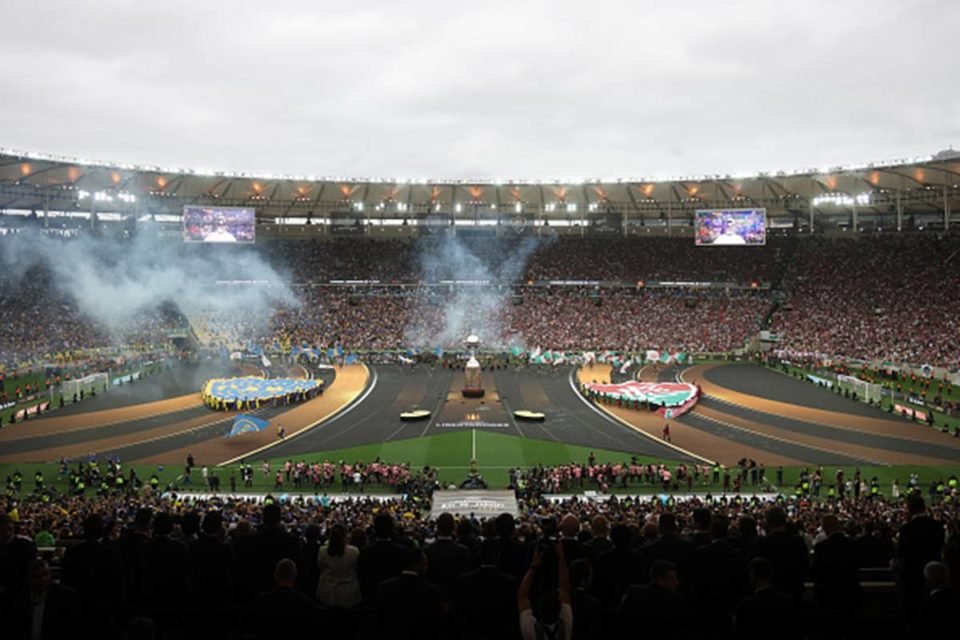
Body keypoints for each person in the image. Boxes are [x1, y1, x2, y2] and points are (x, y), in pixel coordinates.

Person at [519, 541, 572, 640]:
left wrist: (533, 566)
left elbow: (522, 595)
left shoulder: (530, 630)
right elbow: (564, 588)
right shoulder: (565, 624)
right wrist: (561, 556)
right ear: (559, 609)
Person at [315, 524, 361, 608]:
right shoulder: (354, 552)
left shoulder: (322, 551)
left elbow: (320, 568)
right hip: (348, 593)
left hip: (327, 591)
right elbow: (357, 569)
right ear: (345, 535)